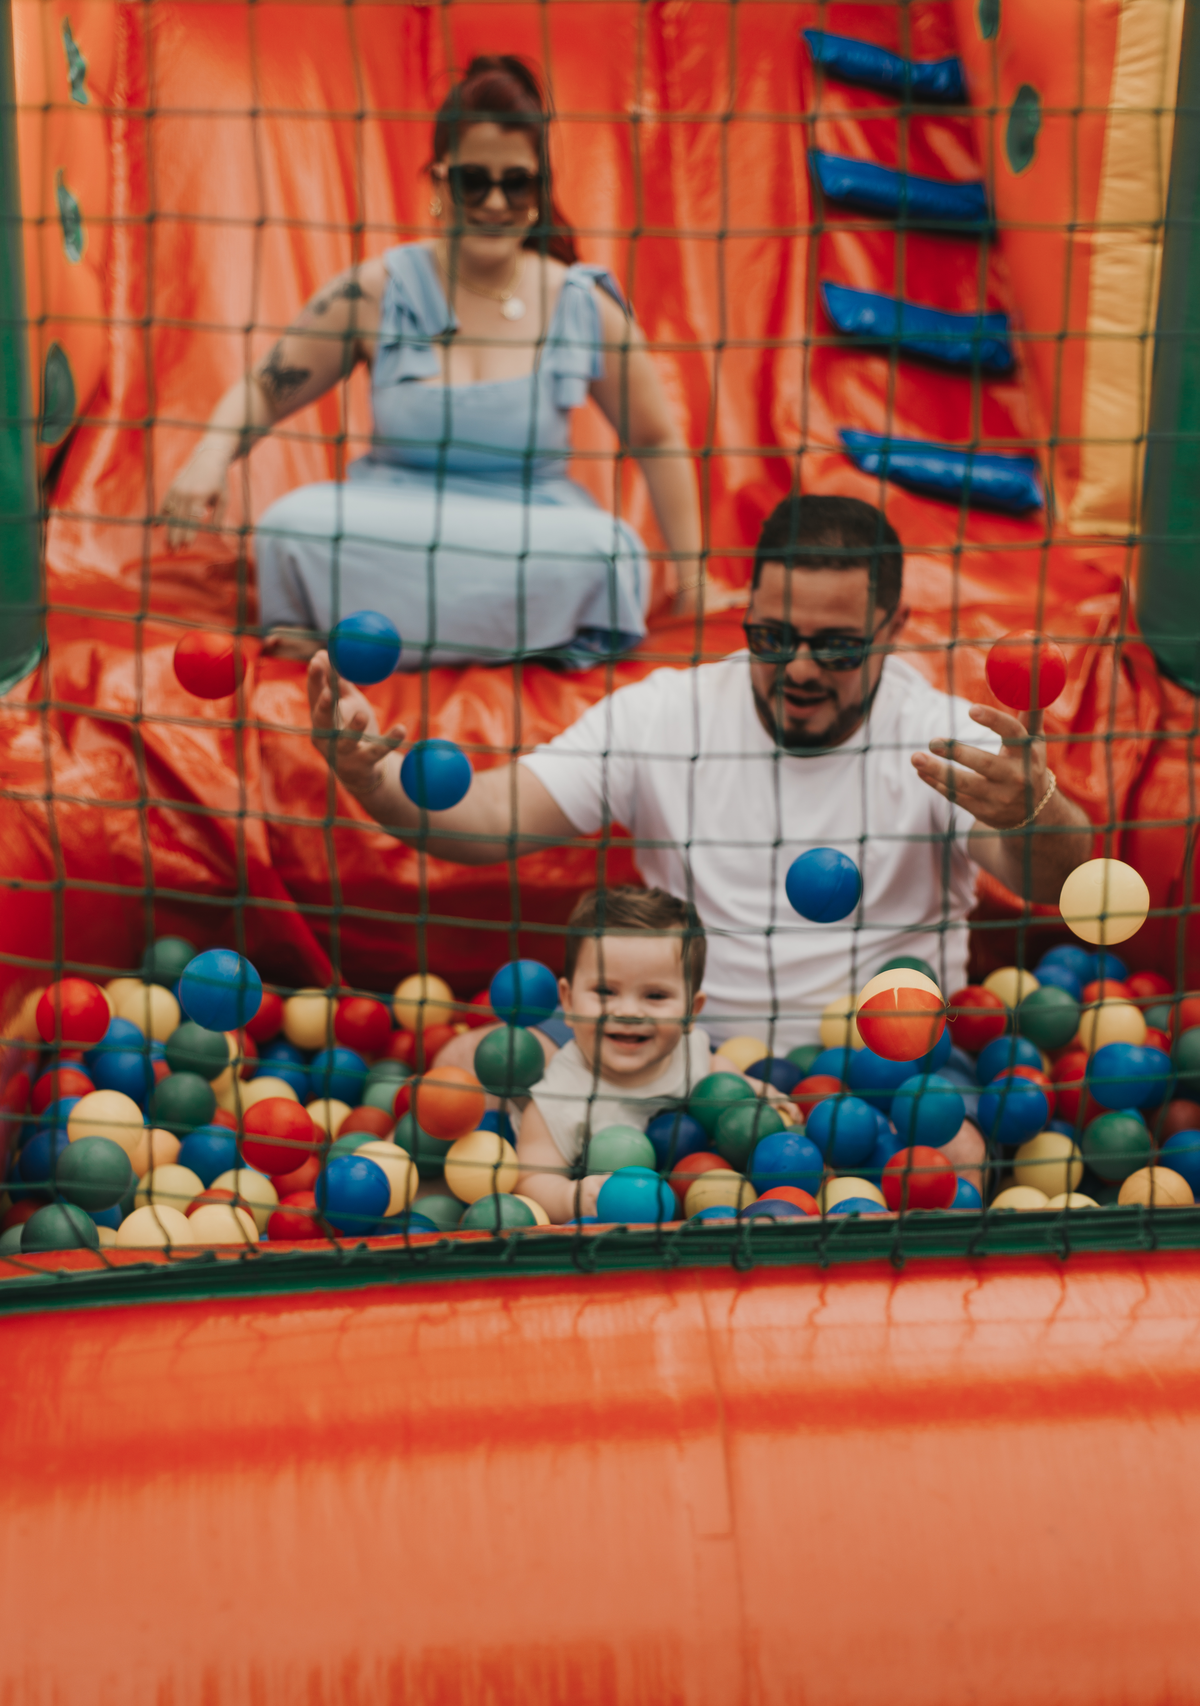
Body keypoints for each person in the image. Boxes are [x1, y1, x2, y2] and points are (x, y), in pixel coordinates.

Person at [306, 494, 1093, 1044]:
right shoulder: (666, 715)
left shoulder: (940, 738)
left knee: (946, 1158)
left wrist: (1034, 810)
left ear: (891, 630)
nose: (802, 669)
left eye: (838, 645)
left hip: (882, 1069)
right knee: (483, 1076)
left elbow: (1056, 880)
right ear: (744, 615)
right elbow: (486, 821)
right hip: (674, 1058)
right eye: (774, 637)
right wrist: (373, 779)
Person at [162, 56, 711, 667]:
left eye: (516, 182)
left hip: (529, 530)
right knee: (293, 525)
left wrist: (692, 585)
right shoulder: (375, 290)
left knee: (606, 551)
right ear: (439, 181)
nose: (494, 202)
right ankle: (499, 638)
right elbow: (266, 388)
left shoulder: (581, 303)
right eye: (474, 181)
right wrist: (210, 455)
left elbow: (658, 439)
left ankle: (369, 635)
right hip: (387, 519)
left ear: (539, 189)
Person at [514, 886, 765, 1221]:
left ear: (691, 1011)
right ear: (569, 1001)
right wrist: (572, 1196)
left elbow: (721, 1075)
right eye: (605, 991)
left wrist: (760, 1094)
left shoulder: (691, 1054)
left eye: (656, 995)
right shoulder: (555, 1101)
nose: (628, 1011)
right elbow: (530, 1180)